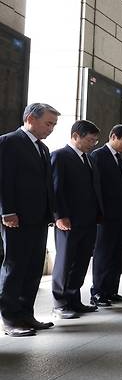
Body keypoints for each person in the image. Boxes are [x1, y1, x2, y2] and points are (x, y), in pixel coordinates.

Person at [0, 103, 59, 336]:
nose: (51, 129)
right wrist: (7, 211)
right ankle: (11, 319)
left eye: (53, 124)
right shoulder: (8, 142)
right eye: (48, 123)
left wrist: (51, 212)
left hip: (38, 218)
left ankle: (26, 314)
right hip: (16, 217)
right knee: (15, 267)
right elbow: (3, 180)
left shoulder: (42, 149)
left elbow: (46, 185)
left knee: (33, 268)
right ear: (30, 119)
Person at [51, 120, 103, 319]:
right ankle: (60, 304)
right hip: (68, 220)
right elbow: (56, 189)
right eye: (90, 140)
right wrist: (59, 216)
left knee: (81, 261)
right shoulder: (60, 156)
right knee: (65, 262)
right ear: (75, 136)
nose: (93, 144)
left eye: (95, 140)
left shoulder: (89, 159)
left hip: (89, 220)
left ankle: (74, 299)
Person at [89, 124, 122, 307]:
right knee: (103, 254)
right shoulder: (98, 156)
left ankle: (111, 290)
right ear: (113, 136)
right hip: (105, 216)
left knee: (117, 253)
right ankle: (98, 292)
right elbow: (96, 187)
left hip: (121, 215)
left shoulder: (120, 159)